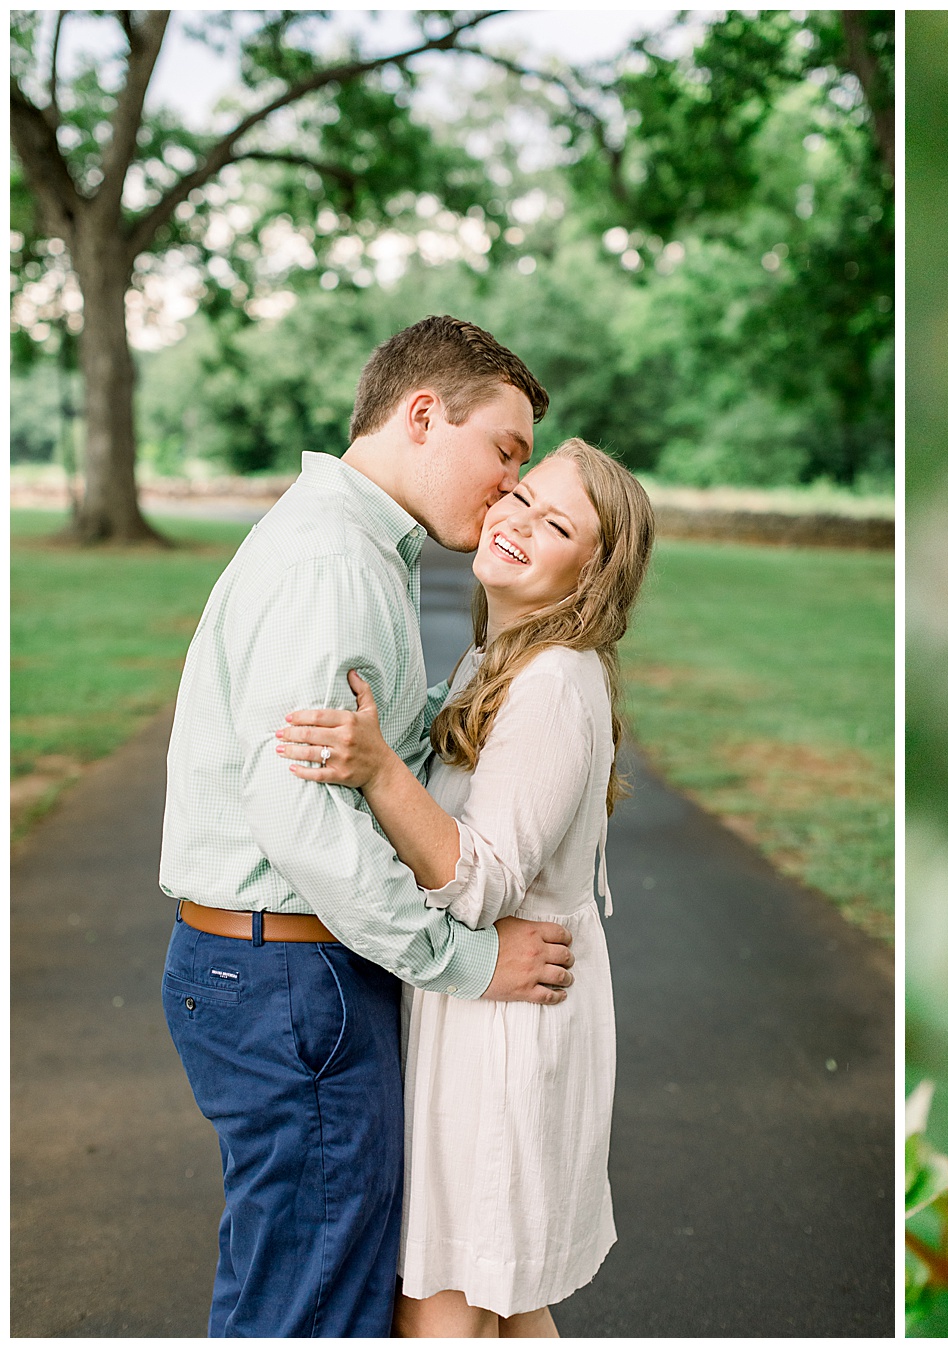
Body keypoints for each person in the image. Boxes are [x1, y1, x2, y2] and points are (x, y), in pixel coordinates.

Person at [159, 316, 578, 1338]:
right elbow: (302, 819)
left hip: (283, 971)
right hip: (291, 976)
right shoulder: (333, 561)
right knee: (309, 1305)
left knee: (304, 1280)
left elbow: (372, 757)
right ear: (423, 415)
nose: (508, 486)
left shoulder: (356, 546)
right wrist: (467, 959)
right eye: (505, 452)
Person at [274, 438, 655, 1336]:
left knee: (443, 1309)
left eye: (555, 524)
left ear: (594, 574)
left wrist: (377, 769)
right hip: (482, 1007)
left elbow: (481, 882)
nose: (517, 520)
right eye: (521, 496)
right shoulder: (502, 657)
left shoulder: (553, 682)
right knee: (506, 1310)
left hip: (503, 1027)